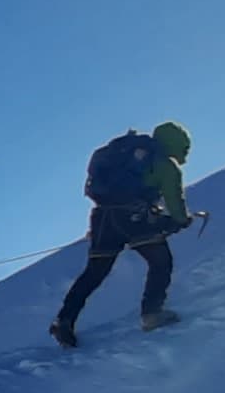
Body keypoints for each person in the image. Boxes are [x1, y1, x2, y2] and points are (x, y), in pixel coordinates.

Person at [51, 121, 194, 349]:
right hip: (133, 217)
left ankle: (64, 320)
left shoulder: (129, 154)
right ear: (177, 144)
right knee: (160, 262)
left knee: (94, 272)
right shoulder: (166, 164)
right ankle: (152, 314)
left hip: (102, 218)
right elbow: (174, 201)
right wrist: (182, 220)